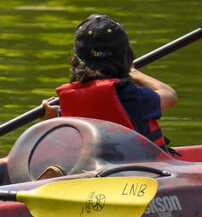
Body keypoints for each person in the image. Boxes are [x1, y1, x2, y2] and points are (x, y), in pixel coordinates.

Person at [50, 14, 178, 153]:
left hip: (88, 169)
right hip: (138, 168)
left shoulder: (67, 103)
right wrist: (133, 72)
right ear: (127, 56)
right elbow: (170, 95)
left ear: (76, 59)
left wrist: (52, 115)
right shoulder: (132, 97)